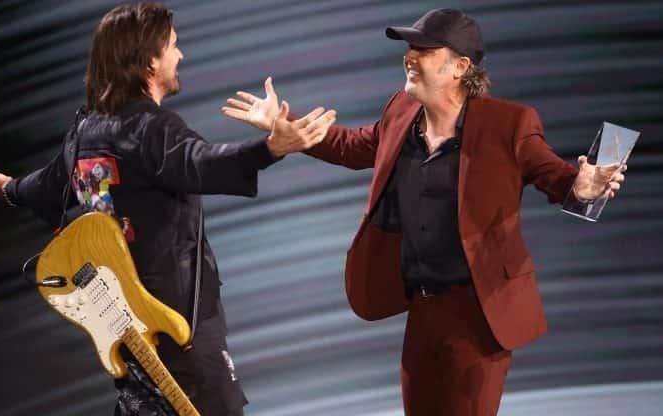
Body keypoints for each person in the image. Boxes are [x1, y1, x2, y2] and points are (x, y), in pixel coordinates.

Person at [222, 7, 626, 416]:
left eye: (425, 50)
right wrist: (286, 126)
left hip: (478, 313)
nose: (410, 57)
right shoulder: (401, 111)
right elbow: (353, 145)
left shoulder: (508, 124)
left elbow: (554, 175)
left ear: (460, 67)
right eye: (410, 48)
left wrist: (583, 186)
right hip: (422, 309)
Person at [0, 2, 336, 416]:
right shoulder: (150, 129)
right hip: (177, 328)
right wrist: (269, 148)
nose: (179, 55)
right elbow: (201, 162)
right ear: (150, 60)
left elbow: (47, 186)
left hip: (124, 329)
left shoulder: (86, 132)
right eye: (172, 46)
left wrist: (8, 189)